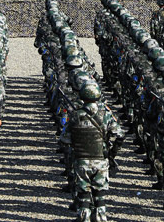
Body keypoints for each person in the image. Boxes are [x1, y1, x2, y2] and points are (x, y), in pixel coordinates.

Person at [63, 81, 124, 222]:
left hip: (81, 160)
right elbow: (120, 135)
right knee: (99, 193)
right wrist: (112, 153)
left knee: (83, 192)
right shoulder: (106, 115)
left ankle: (84, 216)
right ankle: (100, 216)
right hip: (101, 159)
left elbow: (64, 140)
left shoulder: (75, 116)